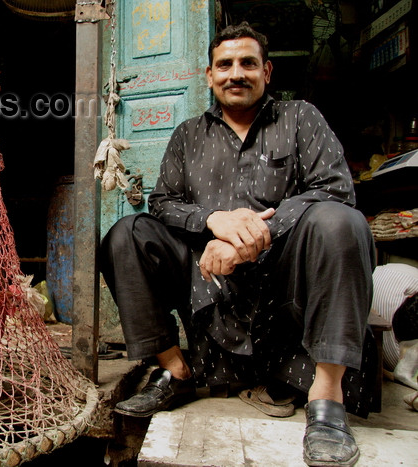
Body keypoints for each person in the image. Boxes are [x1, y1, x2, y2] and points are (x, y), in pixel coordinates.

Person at [99, 23, 375, 467]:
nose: (236, 73)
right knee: (126, 233)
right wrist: (213, 219)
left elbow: (336, 187)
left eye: (248, 63)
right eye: (224, 65)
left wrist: (251, 239)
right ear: (208, 75)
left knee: (342, 222)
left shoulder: (300, 118)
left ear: (266, 71)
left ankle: (327, 399)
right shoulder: (189, 134)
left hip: (285, 282)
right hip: (209, 282)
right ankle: (175, 370)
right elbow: (163, 202)